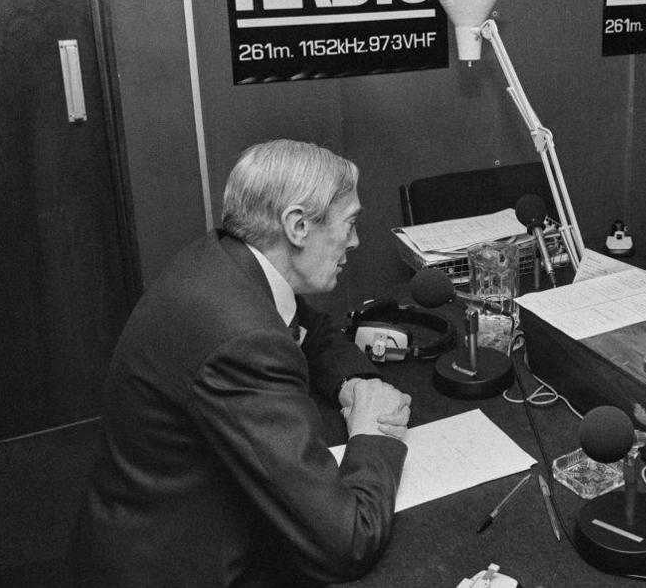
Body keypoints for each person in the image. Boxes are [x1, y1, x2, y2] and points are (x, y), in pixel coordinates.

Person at [71, 139, 411, 586]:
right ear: (298, 226)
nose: (356, 241)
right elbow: (347, 542)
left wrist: (353, 383)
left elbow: (311, 328)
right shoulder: (243, 338)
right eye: (349, 224)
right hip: (177, 565)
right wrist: (371, 432)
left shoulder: (225, 261)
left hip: (138, 518)